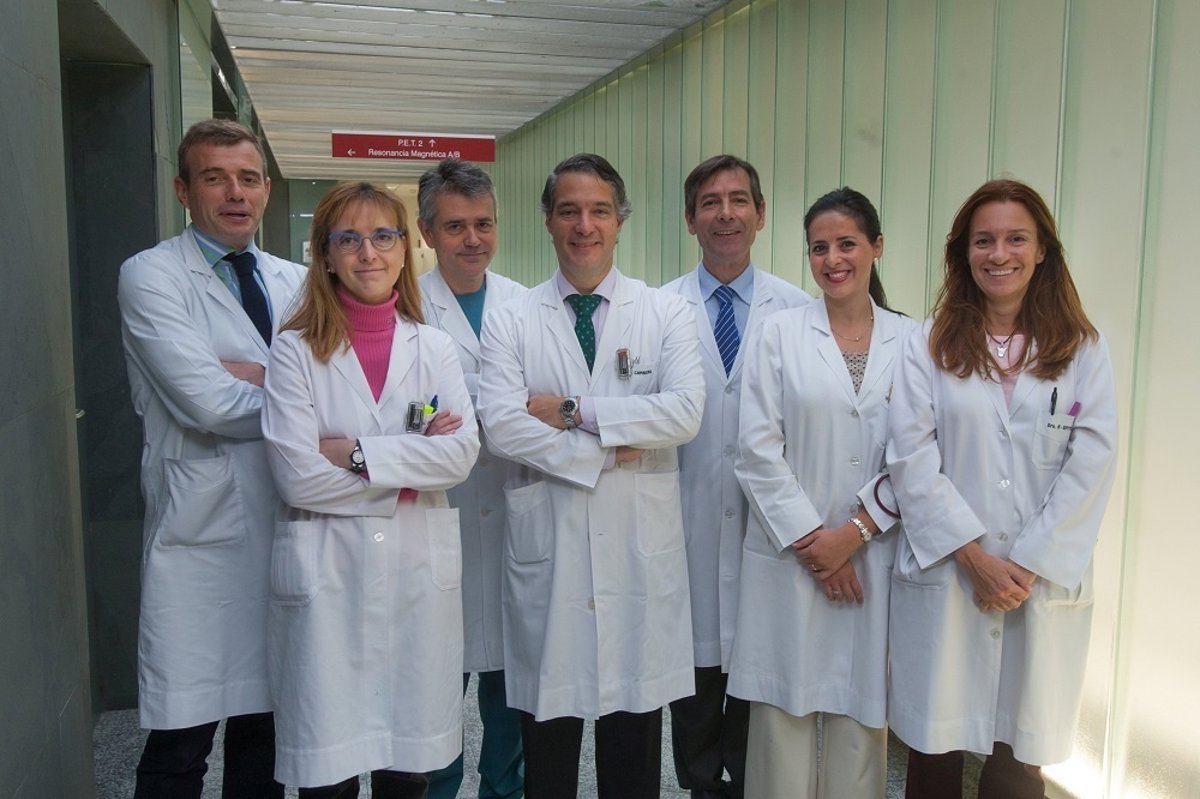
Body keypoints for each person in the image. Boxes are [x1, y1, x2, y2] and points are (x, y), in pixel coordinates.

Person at [477, 153, 705, 799]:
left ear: (620, 220)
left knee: (633, 749)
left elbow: (684, 412)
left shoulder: (664, 312)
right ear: (548, 220)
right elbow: (502, 426)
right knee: (548, 754)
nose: (585, 225)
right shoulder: (512, 317)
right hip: (550, 554)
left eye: (599, 210)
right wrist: (606, 450)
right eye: (569, 211)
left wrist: (574, 412)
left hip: (637, 554)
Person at [886, 178, 1118, 798]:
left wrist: (1026, 565)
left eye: (1017, 239)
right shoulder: (926, 345)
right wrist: (975, 560)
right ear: (964, 253)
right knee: (935, 752)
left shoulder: (1083, 349)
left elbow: (1091, 462)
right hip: (951, 573)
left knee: (1020, 761)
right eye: (983, 240)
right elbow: (911, 459)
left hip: (1036, 585)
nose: (999, 254)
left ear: (1042, 250)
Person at [260, 181, 480, 796]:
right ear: (326, 255)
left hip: (415, 576)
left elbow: (460, 454)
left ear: (405, 249)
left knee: (407, 773)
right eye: (349, 239)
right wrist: (407, 477)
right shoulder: (294, 350)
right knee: (327, 776)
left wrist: (355, 453)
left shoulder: (433, 347)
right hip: (328, 578)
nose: (368, 253)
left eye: (384, 236)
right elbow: (296, 475)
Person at [117, 118, 305, 799]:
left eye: (248, 178)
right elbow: (208, 403)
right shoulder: (151, 275)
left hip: (287, 523)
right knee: (181, 743)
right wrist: (297, 392)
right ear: (182, 189)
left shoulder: (297, 280)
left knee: (268, 738)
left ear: (265, 189)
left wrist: (252, 375)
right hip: (199, 537)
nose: (235, 193)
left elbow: (339, 390)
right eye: (215, 177)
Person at [726, 188, 914, 798]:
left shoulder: (915, 340)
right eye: (819, 248)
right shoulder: (778, 334)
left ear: (877, 247)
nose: (833, 259)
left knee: (861, 720)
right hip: (792, 558)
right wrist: (818, 546)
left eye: (847, 244)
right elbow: (756, 449)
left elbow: (918, 455)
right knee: (781, 720)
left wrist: (852, 535)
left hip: (873, 554)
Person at [660, 154, 810, 799]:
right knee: (691, 694)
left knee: (758, 697)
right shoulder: (658, 309)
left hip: (767, 533)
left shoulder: (799, 310)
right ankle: (700, 788)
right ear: (690, 219)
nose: (726, 214)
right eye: (711, 202)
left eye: (739, 200)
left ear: (761, 214)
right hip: (681, 528)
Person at [416, 159, 526, 799]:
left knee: (512, 694)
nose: (473, 239)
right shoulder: (405, 306)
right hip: (438, 518)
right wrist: (502, 402)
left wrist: (462, 404)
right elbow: (404, 409)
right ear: (427, 232)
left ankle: (503, 790)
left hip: (514, 516)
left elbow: (549, 399)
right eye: (455, 226)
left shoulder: (526, 304)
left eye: (484, 224)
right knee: (433, 692)